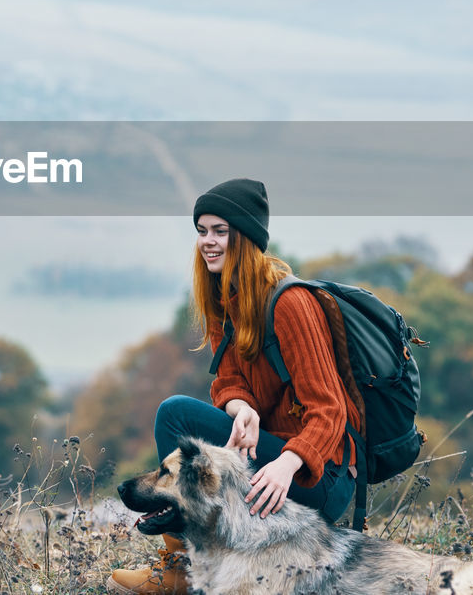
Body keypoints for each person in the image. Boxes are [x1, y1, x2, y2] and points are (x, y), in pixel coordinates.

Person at [106, 178, 364, 595]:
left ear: (245, 237)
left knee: (174, 413)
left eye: (220, 231)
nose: (208, 242)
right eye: (202, 231)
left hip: (321, 477)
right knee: (176, 414)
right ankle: (181, 565)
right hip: (271, 452)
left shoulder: (291, 305)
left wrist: (287, 463)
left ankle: (181, 571)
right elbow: (229, 379)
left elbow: (329, 409)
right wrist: (241, 407)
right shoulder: (226, 298)